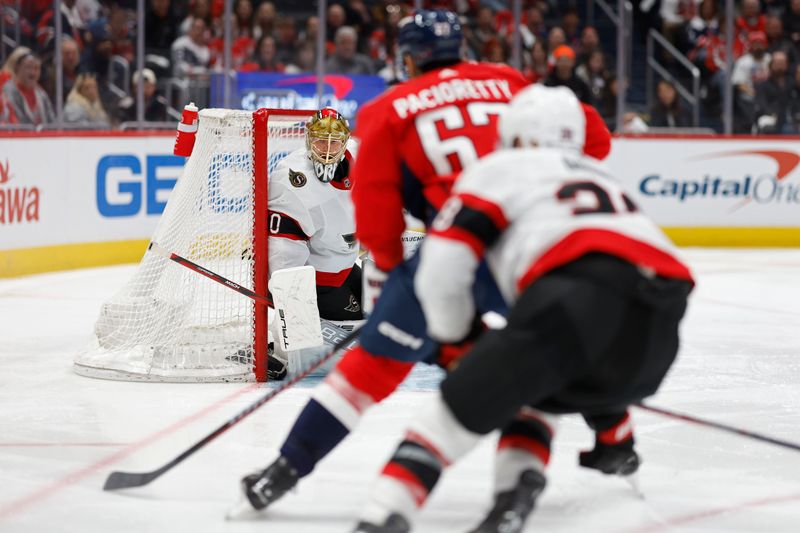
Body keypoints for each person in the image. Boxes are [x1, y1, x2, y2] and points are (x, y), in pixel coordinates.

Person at [233, 9, 614, 518]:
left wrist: (392, 283)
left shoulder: (388, 109)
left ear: (407, 58)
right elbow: (597, 142)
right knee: (536, 363)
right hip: (531, 250)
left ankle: (282, 471)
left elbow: (378, 222)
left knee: (367, 372)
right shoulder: (507, 81)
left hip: (454, 251)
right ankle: (549, 471)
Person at [352, 85, 694, 533]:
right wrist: (615, 439)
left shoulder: (500, 168)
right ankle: (520, 495)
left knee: (449, 417)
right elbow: (606, 315)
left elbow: (442, 268)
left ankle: (382, 513)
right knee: (538, 378)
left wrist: (458, 340)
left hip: (578, 296)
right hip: (661, 330)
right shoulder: (598, 173)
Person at [264, 107, 363, 379]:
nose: (328, 149)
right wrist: (291, 305)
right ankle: (282, 347)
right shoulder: (293, 181)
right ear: (308, 139)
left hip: (344, 267)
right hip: (320, 282)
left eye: (334, 142)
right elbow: (284, 258)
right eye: (321, 140)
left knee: (384, 303)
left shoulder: (361, 158)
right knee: (367, 321)